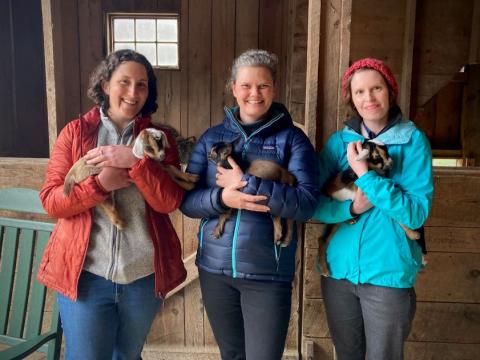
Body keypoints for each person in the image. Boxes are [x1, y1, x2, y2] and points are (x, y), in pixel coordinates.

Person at [37, 49, 187, 360]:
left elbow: (169, 202)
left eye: (142, 85)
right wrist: (100, 184)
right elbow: (52, 202)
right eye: (124, 82)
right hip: (86, 277)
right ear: (105, 85)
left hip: (142, 279)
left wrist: (136, 161)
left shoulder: (161, 140)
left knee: (127, 357)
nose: (133, 93)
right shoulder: (75, 133)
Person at [180, 49, 319, 360]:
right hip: (214, 271)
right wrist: (221, 198)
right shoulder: (211, 138)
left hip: (267, 274)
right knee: (232, 355)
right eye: (246, 85)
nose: (254, 94)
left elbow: (307, 203)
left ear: (274, 89)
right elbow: (188, 201)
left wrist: (247, 184)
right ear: (233, 88)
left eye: (263, 86)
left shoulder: (293, 140)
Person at [313, 58, 434, 360]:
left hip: (388, 272)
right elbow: (311, 205)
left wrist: (366, 177)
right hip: (338, 272)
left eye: (376, 88)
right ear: (352, 99)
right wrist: (350, 210)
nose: (368, 98)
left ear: (390, 91)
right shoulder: (339, 142)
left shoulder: (413, 141)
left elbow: (415, 214)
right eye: (360, 92)